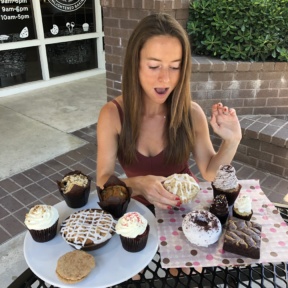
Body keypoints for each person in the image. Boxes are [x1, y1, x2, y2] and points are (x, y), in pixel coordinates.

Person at [96, 13, 242, 210]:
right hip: (137, 214)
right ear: (135, 64)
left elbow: (209, 173)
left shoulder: (191, 113)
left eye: (175, 67)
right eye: (154, 66)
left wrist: (232, 141)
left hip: (184, 210)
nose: (165, 79)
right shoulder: (112, 115)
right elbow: (102, 181)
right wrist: (138, 184)